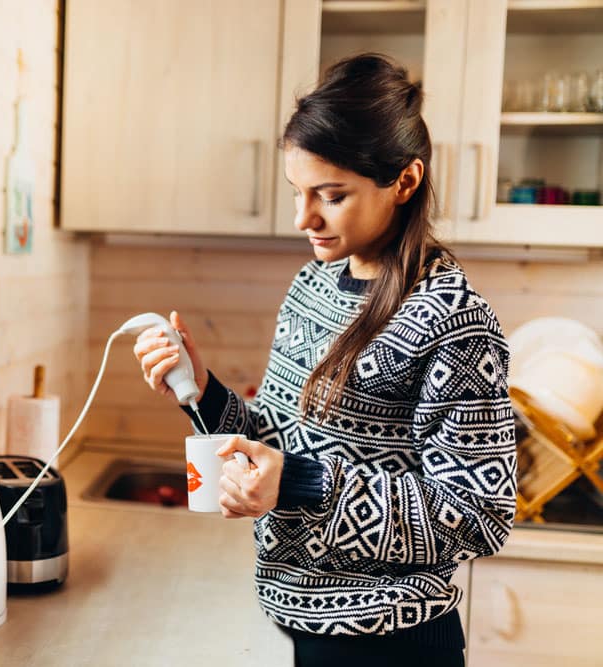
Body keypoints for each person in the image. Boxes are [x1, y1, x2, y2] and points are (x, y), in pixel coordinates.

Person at [134, 54, 515, 667]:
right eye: (298, 192)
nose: (302, 218)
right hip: (300, 625)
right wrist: (202, 390)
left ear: (405, 182)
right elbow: (280, 442)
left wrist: (301, 483)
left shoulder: (453, 322)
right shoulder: (313, 284)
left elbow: (480, 514)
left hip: (393, 644)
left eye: (331, 196)